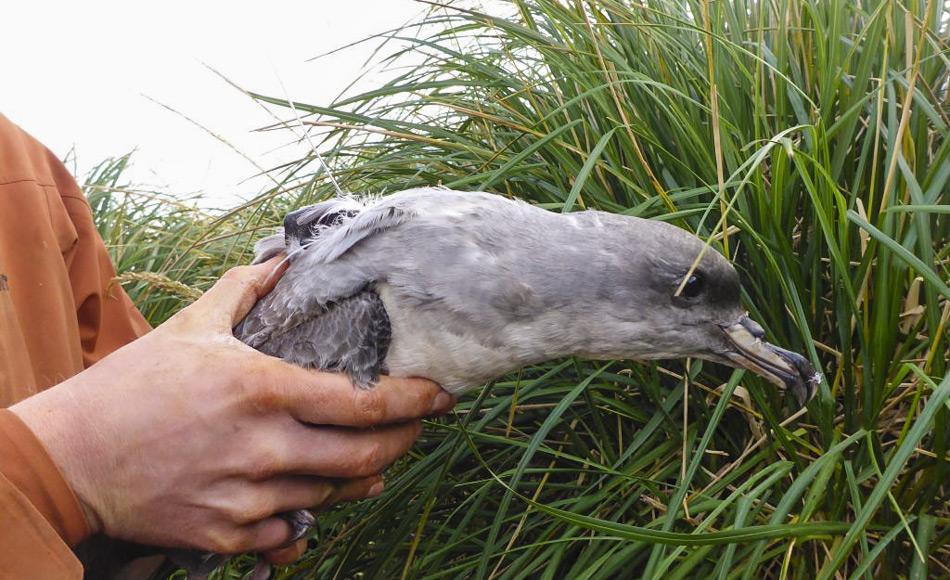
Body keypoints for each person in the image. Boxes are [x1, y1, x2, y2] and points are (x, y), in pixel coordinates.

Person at [0, 113, 454, 579]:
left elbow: (131, 388)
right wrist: (59, 471)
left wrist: (207, 489)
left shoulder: (30, 172)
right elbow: (100, 454)